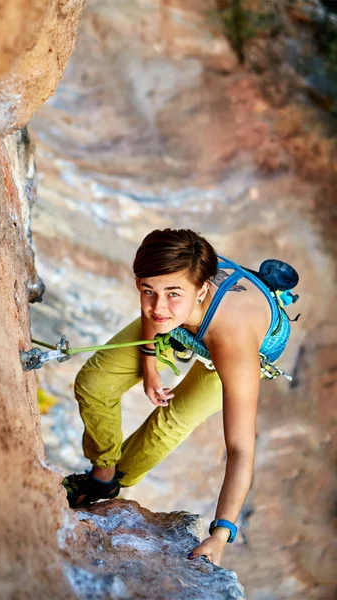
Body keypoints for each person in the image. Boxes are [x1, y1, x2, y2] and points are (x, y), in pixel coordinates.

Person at [62, 228, 293, 565]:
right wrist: (150, 367)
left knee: (171, 422)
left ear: (201, 290)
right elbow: (158, 308)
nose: (157, 306)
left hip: (229, 341)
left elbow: (241, 449)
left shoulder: (233, 342)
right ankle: (102, 476)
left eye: (172, 293)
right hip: (191, 320)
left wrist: (220, 534)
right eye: (146, 290)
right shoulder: (167, 286)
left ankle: (114, 483)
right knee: (95, 381)